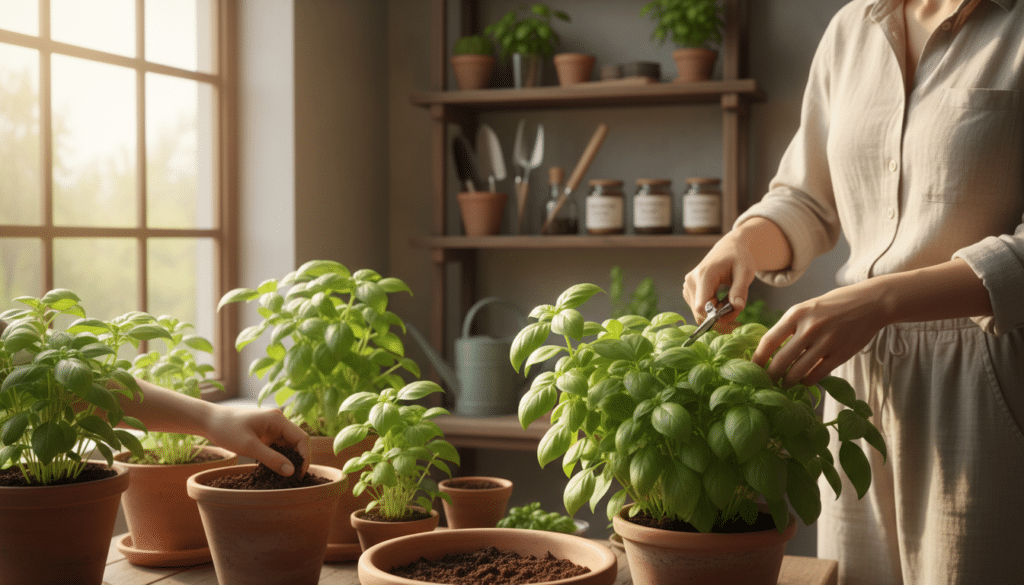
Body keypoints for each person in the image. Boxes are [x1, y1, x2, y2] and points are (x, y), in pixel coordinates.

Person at [682, 1, 1024, 584]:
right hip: (854, 385)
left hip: (989, 379)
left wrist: (881, 300)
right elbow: (807, 199)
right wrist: (742, 243)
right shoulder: (852, 28)